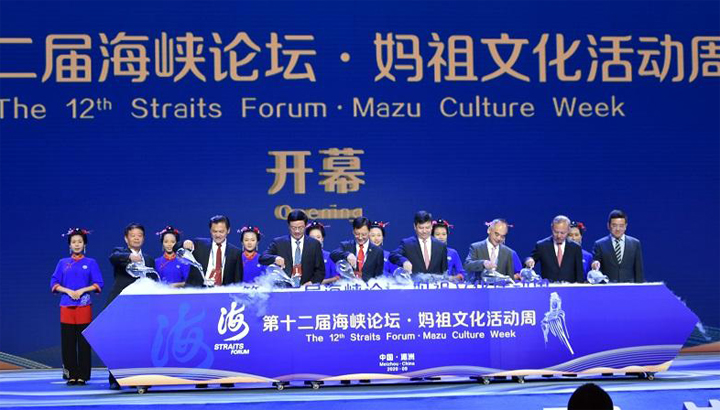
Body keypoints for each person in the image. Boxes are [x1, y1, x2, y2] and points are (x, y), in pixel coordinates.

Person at [51, 228, 103, 386]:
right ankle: (71, 374)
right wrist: (68, 291)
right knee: (68, 342)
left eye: (80, 241)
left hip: (84, 306)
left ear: (84, 244)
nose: (77, 244)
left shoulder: (91, 263)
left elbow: (99, 283)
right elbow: (54, 283)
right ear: (70, 245)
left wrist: (82, 290)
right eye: (74, 242)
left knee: (83, 342)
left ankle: (83, 375)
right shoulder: (62, 263)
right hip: (66, 307)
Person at [107, 222, 157, 390]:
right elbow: (113, 257)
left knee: (141, 343)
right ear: (126, 238)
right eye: (133, 235)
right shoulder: (119, 253)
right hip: (122, 305)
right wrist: (129, 257)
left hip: (142, 307)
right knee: (119, 342)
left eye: (139, 235)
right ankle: (115, 378)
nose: (136, 238)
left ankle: (140, 378)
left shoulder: (149, 259)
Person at [260, 210, 325, 285]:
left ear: (305, 226)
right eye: (293, 228)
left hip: (306, 288)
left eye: (300, 227)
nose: (297, 231)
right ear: (289, 226)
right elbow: (262, 258)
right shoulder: (279, 243)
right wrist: (275, 258)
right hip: (284, 289)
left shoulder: (314, 244)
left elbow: (320, 271)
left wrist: (311, 282)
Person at [182, 215, 243, 287]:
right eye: (214, 231)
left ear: (228, 230)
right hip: (198, 290)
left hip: (223, 291)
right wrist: (184, 243)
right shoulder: (198, 244)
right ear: (210, 230)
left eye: (221, 231)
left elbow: (237, 281)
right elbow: (176, 247)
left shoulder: (236, 253)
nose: (218, 235)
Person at [526, 215, 584, 283]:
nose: (559, 236)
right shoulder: (542, 246)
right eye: (556, 232)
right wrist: (529, 260)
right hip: (548, 288)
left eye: (562, 233)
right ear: (552, 228)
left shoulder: (575, 247)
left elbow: (580, 275)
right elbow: (530, 259)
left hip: (569, 288)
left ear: (568, 230)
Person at [591, 209, 644, 283]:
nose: (618, 229)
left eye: (621, 226)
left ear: (626, 226)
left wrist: (639, 287)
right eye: (614, 225)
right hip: (608, 287)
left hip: (629, 287)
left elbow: (638, 271)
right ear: (608, 226)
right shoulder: (599, 244)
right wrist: (595, 265)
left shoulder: (635, 244)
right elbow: (596, 266)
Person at [389, 210, 448, 275]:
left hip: (435, 281)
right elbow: (393, 255)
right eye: (421, 228)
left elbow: (444, 273)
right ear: (415, 226)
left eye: (427, 227)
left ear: (431, 226)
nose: (424, 231)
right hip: (413, 281)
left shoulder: (441, 246)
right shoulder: (407, 244)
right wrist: (404, 261)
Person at [330, 217, 384, 281]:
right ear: (353, 231)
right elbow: (333, 254)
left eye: (364, 234)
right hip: (348, 285)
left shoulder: (377, 251)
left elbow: (378, 277)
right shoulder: (346, 246)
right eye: (357, 234)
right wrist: (347, 255)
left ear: (369, 232)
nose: (360, 237)